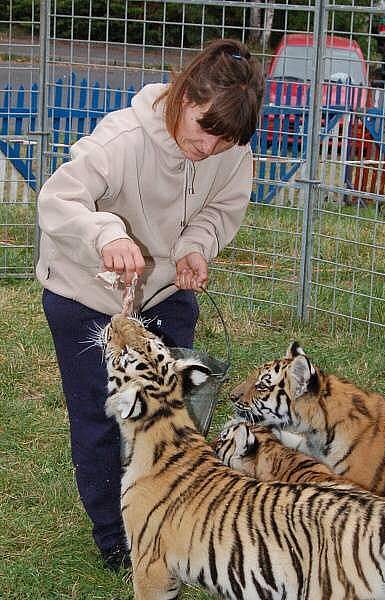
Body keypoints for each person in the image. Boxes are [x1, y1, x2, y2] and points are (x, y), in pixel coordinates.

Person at [36, 38, 264, 571]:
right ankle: (117, 537)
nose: (211, 148)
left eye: (226, 140)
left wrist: (193, 248)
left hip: (164, 288)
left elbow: (220, 208)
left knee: (172, 408)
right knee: (104, 413)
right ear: (185, 97)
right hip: (86, 293)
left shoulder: (228, 148)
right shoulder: (122, 139)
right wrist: (106, 235)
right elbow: (59, 199)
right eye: (207, 129)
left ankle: (167, 514)